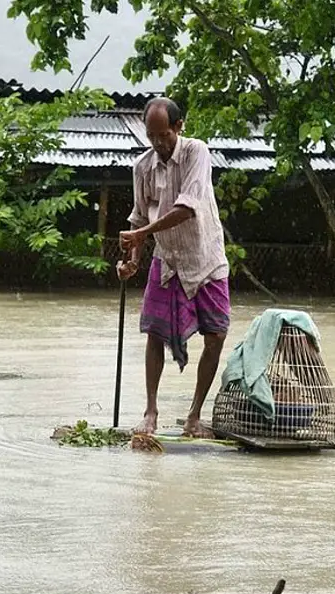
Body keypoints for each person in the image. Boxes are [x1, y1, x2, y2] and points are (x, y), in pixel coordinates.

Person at [117, 97, 230, 437]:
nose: (158, 143)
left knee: (217, 335)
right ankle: (150, 412)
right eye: (151, 136)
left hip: (204, 256)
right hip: (167, 260)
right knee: (154, 333)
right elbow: (138, 216)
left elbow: (187, 207)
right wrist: (131, 261)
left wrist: (141, 234)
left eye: (163, 135)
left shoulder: (197, 152)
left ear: (179, 127)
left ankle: (194, 416)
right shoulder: (143, 167)